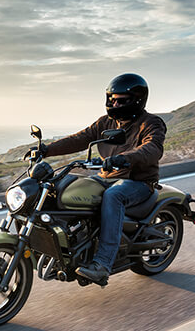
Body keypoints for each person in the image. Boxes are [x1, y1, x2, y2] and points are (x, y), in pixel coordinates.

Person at [38, 73, 167, 286]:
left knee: (113, 196)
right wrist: (47, 150)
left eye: (120, 100)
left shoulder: (151, 123)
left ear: (137, 99)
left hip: (138, 182)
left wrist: (125, 159)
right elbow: (81, 138)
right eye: (112, 98)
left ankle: (102, 264)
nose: (114, 103)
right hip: (106, 177)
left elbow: (152, 148)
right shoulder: (106, 122)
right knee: (63, 185)